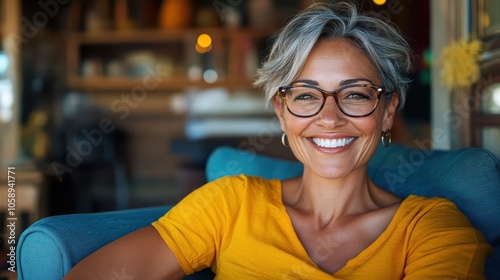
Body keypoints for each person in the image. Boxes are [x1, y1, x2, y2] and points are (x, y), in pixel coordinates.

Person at [64, 2, 492, 279]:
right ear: (281, 112)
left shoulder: (433, 229)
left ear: (387, 111)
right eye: (305, 95)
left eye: (356, 94)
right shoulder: (231, 203)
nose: (329, 118)